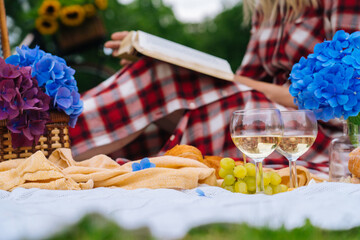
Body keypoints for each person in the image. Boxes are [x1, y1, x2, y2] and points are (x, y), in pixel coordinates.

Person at [69, 0, 360, 176]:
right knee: (156, 69)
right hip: (260, 112)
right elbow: (242, 78)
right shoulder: (267, 8)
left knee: (163, 77)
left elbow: (348, 87)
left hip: (315, 129)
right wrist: (159, 55)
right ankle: (62, 147)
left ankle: (55, 139)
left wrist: (238, 83)